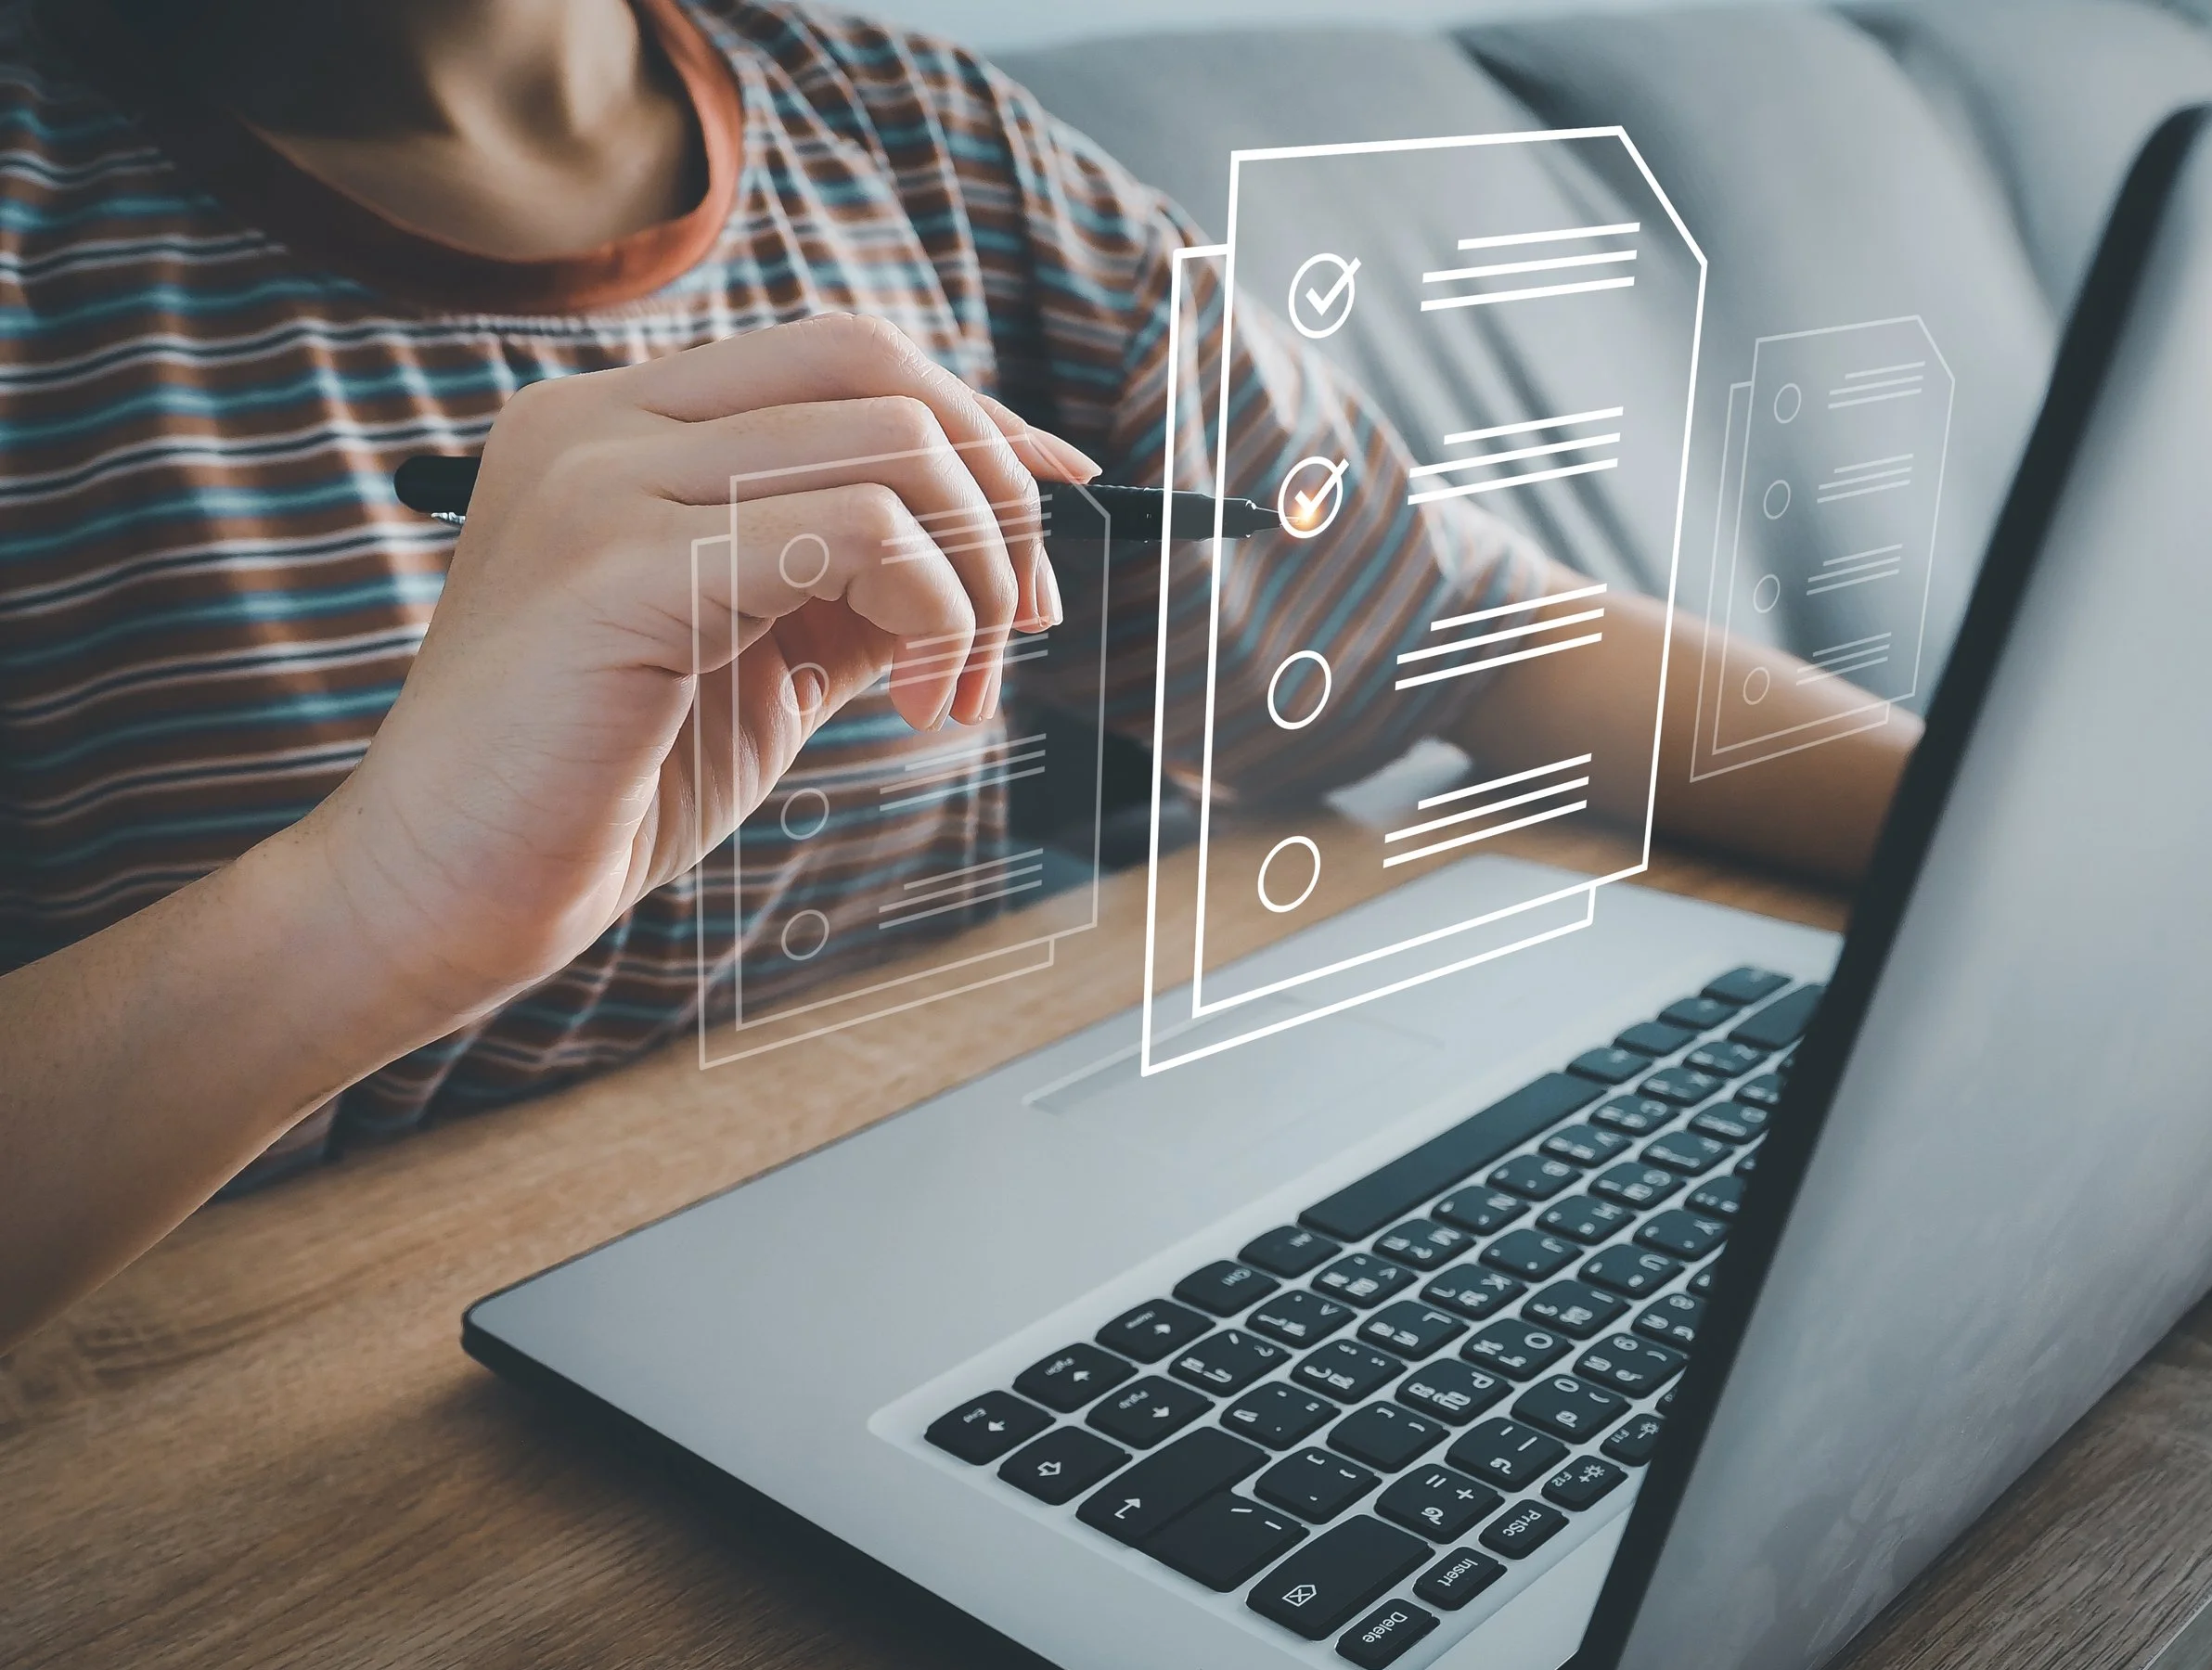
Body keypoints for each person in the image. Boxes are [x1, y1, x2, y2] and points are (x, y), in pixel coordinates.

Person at [0, 0, 1920, 1351]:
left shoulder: (911, 138)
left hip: (914, 1284)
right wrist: (382, 907)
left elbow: (1447, 631)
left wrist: (2027, 852)